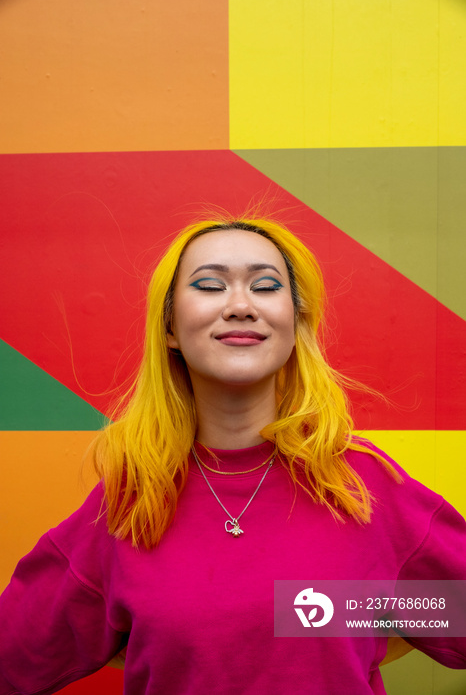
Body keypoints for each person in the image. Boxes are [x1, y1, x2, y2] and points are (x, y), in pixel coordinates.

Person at [0, 217, 465, 695]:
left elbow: (446, 610)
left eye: (265, 286)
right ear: (170, 329)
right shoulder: (126, 505)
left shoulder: (363, 487)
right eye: (209, 285)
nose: (241, 306)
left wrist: (357, 625)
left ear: (295, 325)